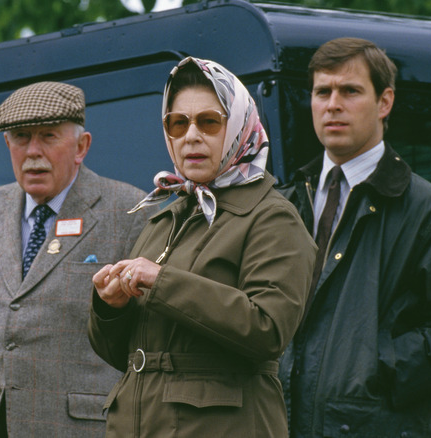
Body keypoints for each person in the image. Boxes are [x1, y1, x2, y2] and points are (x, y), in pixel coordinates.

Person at [88, 56, 316, 437]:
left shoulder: (272, 216)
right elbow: (124, 357)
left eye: (209, 122)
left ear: (240, 126)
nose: (191, 136)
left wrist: (162, 281)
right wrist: (111, 308)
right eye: (178, 123)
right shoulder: (165, 216)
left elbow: (268, 329)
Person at [278, 37, 431, 437]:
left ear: (385, 102)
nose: (333, 104)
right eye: (323, 91)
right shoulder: (284, 203)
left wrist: (375, 368)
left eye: (350, 90)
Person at [0, 81, 154, 437]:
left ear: (81, 146)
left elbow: (145, 337)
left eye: (48, 136)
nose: (33, 151)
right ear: (6, 144)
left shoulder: (128, 210)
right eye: (20, 137)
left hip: (79, 426)